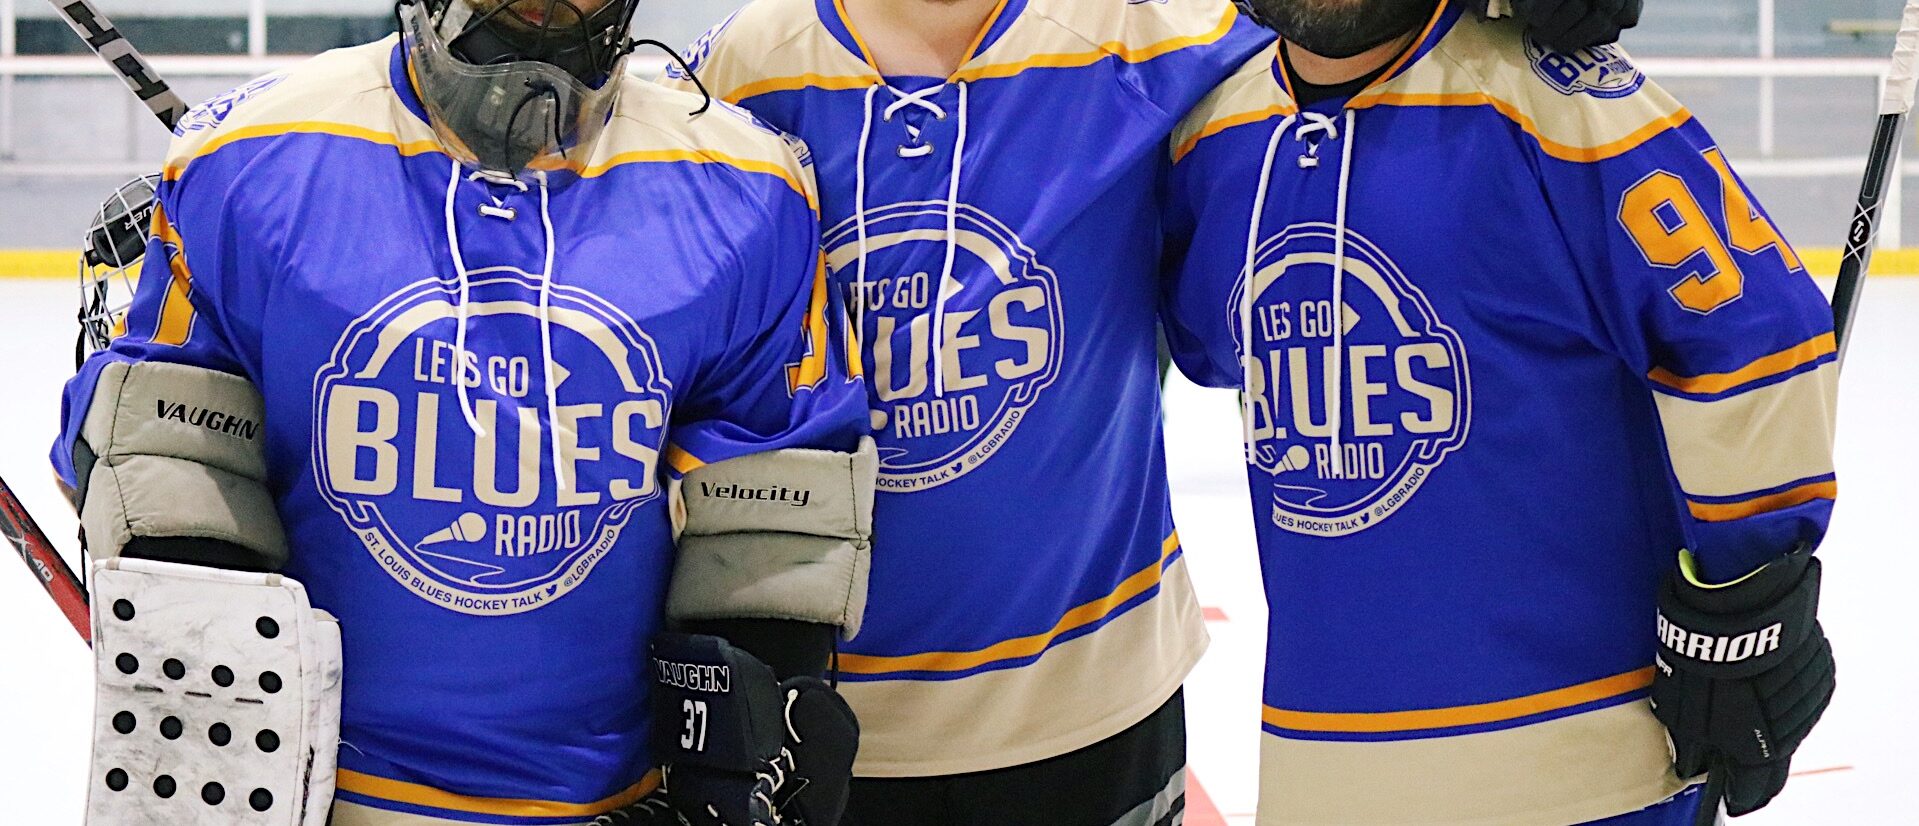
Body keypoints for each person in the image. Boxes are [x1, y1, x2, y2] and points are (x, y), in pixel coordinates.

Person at [663, 0, 1639, 823]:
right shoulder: (738, 68)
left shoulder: (1146, 32)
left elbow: (1351, 29)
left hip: (1093, 709)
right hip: (812, 717)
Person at [53, 1, 876, 824]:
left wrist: (755, 717)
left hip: (614, 796)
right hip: (324, 795)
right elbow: (177, 442)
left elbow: (770, 490)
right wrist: (198, 650)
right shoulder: (251, 152)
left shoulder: (746, 183)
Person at [1161, 0, 1838, 823]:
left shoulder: (1562, 108)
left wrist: (1745, 594)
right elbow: (1201, 339)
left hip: (1589, 770)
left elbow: (1755, 334)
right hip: (1320, 763)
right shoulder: (1210, 135)